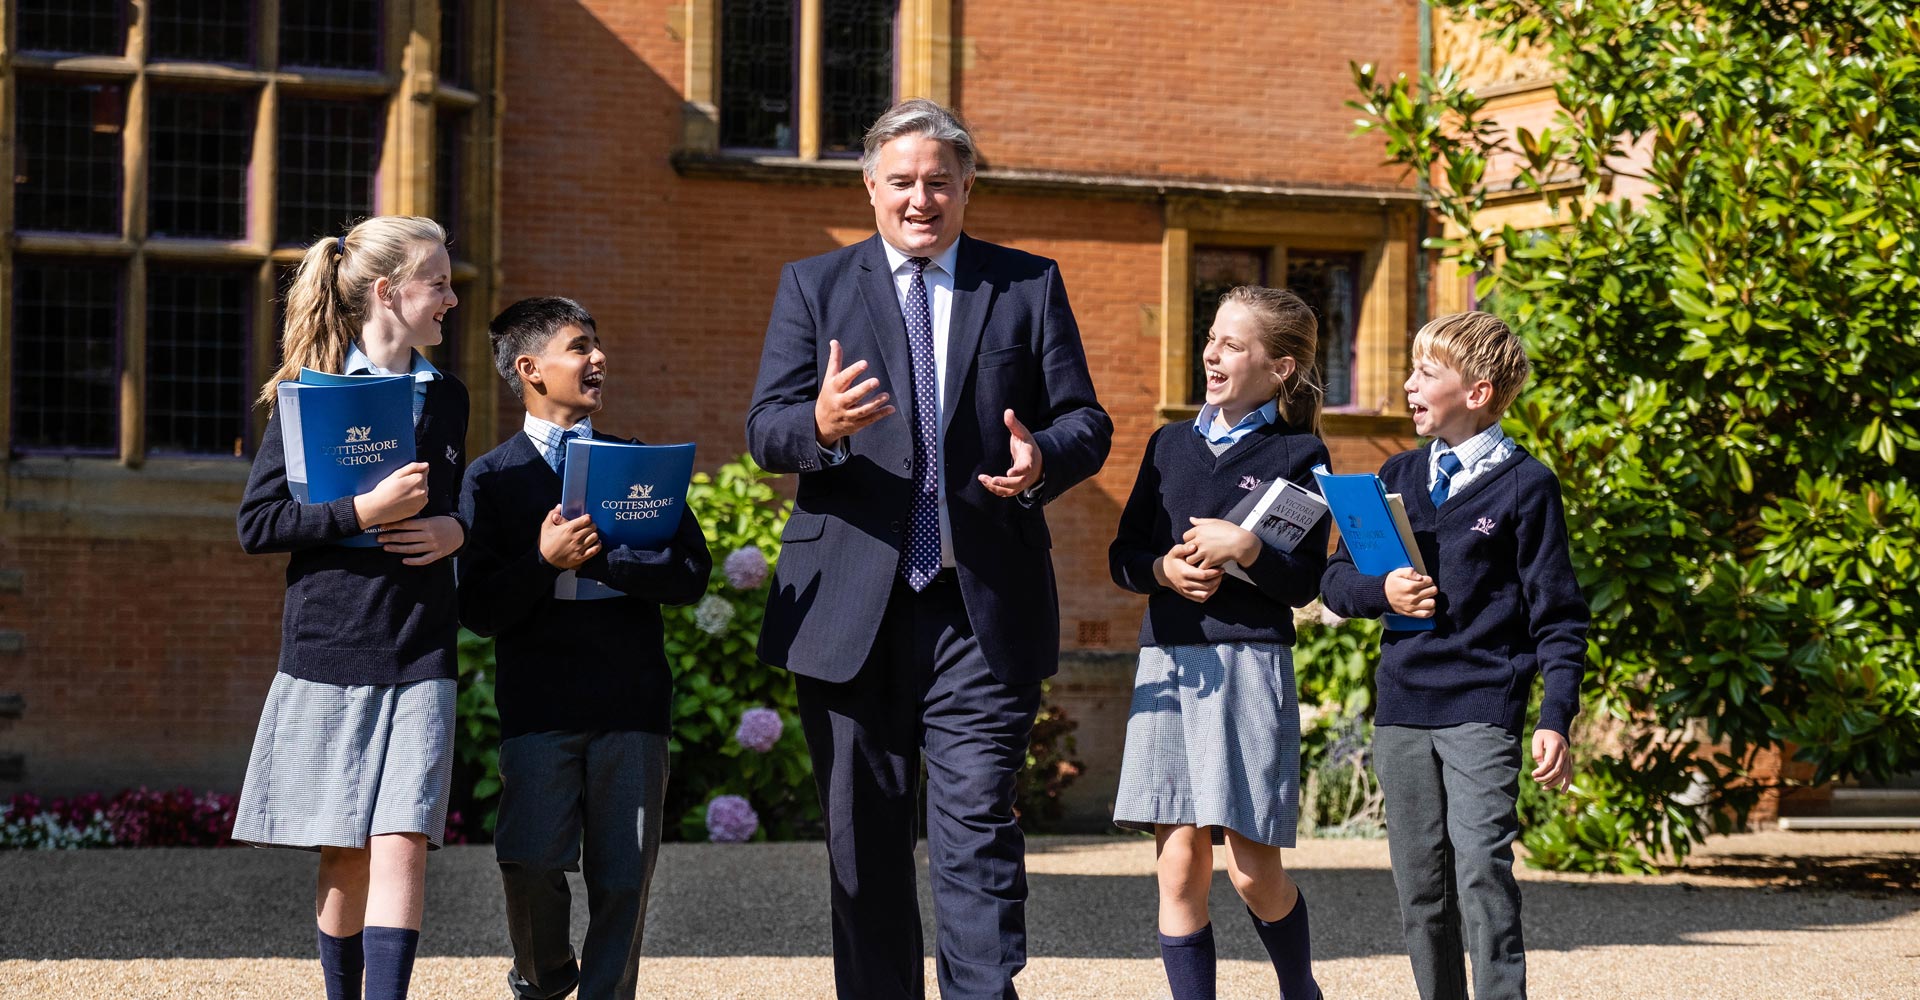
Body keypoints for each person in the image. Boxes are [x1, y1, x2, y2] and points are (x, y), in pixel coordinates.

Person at [745, 98, 1112, 1000]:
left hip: (978, 611)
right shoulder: (814, 285)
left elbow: (1086, 422)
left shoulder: (1026, 285)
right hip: (847, 614)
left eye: (938, 183)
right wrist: (821, 427)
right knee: (862, 845)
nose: (920, 200)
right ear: (870, 187)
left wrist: (1043, 460)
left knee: (978, 828)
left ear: (966, 188)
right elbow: (765, 429)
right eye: (901, 182)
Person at [1320, 310, 1588, 1000]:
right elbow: (1336, 582)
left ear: (1477, 392)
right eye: (1410, 371)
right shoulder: (1396, 474)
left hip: (1482, 709)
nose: (1409, 385)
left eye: (1426, 374)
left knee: (1482, 874)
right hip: (1402, 710)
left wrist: (1555, 717)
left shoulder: (1528, 486)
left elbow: (1558, 618)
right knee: (1422, 887)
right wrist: (1383, 590)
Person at [234, 215, 467, 1000]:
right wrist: (362, 512)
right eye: (438, 282)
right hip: (332, 641)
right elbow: (258, 524)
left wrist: (453, 527)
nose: (451, 298)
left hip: (422, 644)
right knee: (346, 850)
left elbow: (461, 502)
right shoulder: (308, 395)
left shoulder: (449, 399)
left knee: (403, 837)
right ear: (388, 291)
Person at [457, 296, 711, 1000]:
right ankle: (543, 976)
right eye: (580, 346)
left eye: (598, 345)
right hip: (539, 709)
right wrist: (543, 561)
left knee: (625, 879)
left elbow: (691, 575)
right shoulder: (491, 478)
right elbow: (476, 608)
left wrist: (597, 560)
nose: (598, 358)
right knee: (529, 861)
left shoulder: (637, 465)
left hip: (632, 706)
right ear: (531, 368)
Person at [1109, 286, 1331, 1000]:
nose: (1212, 353)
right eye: (1212, 338)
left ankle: (1301, 991)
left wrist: (1247, 548)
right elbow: (1123, 555)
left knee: (1250, 872)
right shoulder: (1168, 443)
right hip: (1167, 662)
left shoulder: (1301, 452)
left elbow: (1301, 584)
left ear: (1282, 369)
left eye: (1234, 344)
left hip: (1249, 663)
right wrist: (1161, 570)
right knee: (1176, 868)